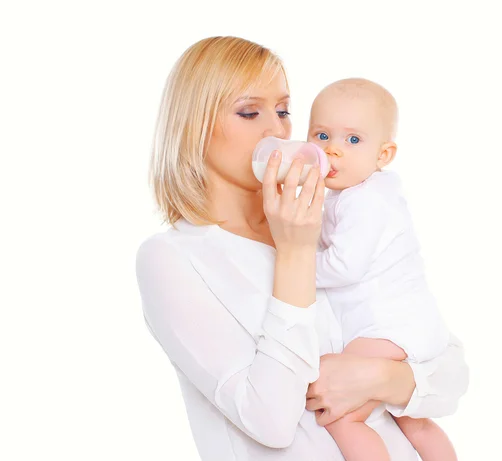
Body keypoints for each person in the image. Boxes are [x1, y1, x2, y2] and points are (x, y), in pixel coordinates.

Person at [136, 36, 469, 461]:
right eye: (249, 112)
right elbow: (270, 421)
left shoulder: (324, 217)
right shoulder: (173, 259)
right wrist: (294, 254)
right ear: (194, 126)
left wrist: (380, 377)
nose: (276, 130)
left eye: (283, 111)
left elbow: (450, 370)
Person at [308, 78, 457, 461]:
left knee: (342, 415)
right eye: (322, 135)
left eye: (353, 140)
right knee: (415, 421)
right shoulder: (367, 194)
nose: (333, 150)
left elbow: (343, 267)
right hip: (413, 325)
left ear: (384, 153)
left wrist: (296, 264)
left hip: (388, 327)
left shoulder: (364, 201)